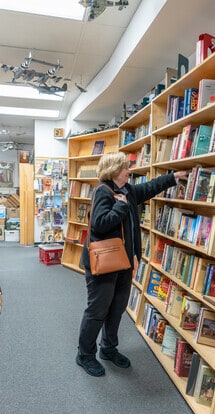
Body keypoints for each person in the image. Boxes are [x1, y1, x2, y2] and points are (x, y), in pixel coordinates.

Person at [76, 152, 188, 376]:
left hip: (124, 263)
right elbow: (99, 225)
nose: (130, 170)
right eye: (127, 167)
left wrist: (173, 177)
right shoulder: (103, 191)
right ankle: (85, 355)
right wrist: (120, 208)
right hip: (104, 265)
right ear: (115, 170)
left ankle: (108, 348)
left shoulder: (127, 190)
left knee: (116, 309)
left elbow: (148, 188)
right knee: (97, 311)